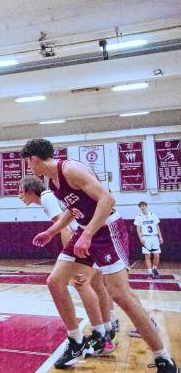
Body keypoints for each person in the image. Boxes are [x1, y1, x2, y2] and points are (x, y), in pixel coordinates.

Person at [23, 139, 178, 372]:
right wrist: (52, 231)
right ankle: (76, 341)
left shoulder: (71, 169)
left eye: (27, 162)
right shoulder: (51, 179)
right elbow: (72, 208)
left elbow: (107, 199)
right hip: (86, 229)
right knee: (55, 282)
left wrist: (88, 234)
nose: (28, 168)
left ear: (34, 159)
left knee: (120, 294)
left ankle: (163, 357)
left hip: (107, 230)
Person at [19, 175, 118, 355]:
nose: (19, 196)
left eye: (20, 192)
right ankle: (108, 329)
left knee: (81, 283)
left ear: (30, 190)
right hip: (95, 235)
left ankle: (101, 335)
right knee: (97, 285)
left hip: (84, 239)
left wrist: (70, 257)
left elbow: (65, 227)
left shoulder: (47, 198)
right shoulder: (52, 196)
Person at [135, 201, 164, 278]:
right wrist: (140, 238)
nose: (143, 207)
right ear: (140, 208)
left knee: (157, 255)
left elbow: (157, 227)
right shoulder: (139, 217)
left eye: (144, 205)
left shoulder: (153, 215)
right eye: (141, 206)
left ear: (146, 206)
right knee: (147, 255)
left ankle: (154, 269)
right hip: (145, 237)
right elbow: (138, 230)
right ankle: (150, 272)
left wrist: (160, 237)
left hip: (154, 237)